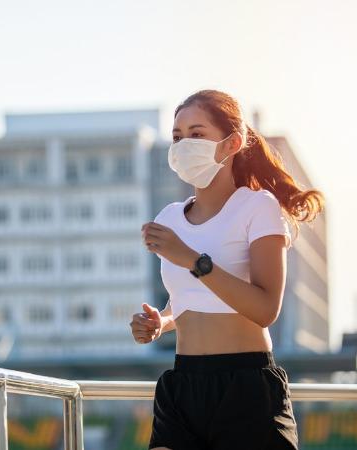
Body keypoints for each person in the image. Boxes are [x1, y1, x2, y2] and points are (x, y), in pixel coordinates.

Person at [131, 89, 325, 450]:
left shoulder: (258, 207)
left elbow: (266, 309)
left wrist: (191, 259)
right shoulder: (169, 217)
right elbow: (189, 298)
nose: (183, 144)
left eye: (197, 134)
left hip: (246, 386)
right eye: (177, 137)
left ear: (231, 143)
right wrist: (162, 321)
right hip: (182, 385)